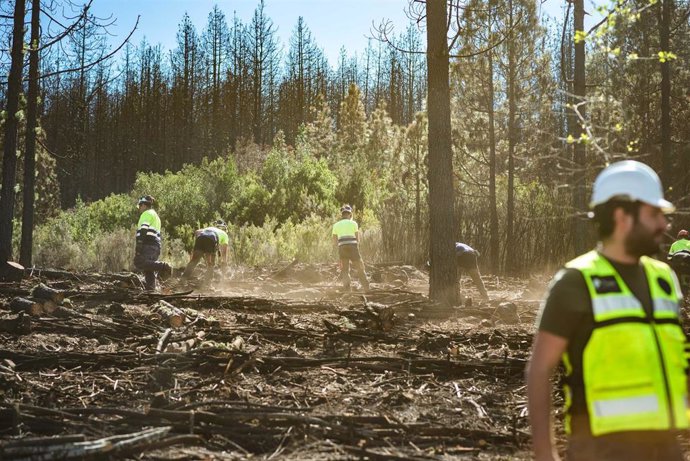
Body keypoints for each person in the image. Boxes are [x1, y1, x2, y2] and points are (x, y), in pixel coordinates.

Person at [526, 160, 689, 461]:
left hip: (667, 449)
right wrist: (545, 454)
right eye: (654, 214)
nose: (663, 225)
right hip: (600, 451)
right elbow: (539, 369)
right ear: (622, 216)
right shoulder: (575, 282)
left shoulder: (665, 279)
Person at [133, 195, 171, 291]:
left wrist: (139, 246)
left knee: (138, 261)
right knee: (149, 270)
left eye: (140, 206)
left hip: (148, 245)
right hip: (155, 245)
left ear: (144, 205)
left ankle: (164, 266)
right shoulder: (156, 216)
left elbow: (143, 230)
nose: (139, 209)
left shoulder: (146, 214)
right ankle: (151, 291)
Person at [332, 205, 370, 291]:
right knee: (360, 268)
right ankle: (367, 288)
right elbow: (358, 239)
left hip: (342, 248)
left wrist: (339, 247)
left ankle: (348, 291)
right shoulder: (354, 223)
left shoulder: (336, 225)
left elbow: (334, 241)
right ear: (350, 214)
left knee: (345, 270)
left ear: (342, 215)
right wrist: (357, 250)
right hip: (353, 247)